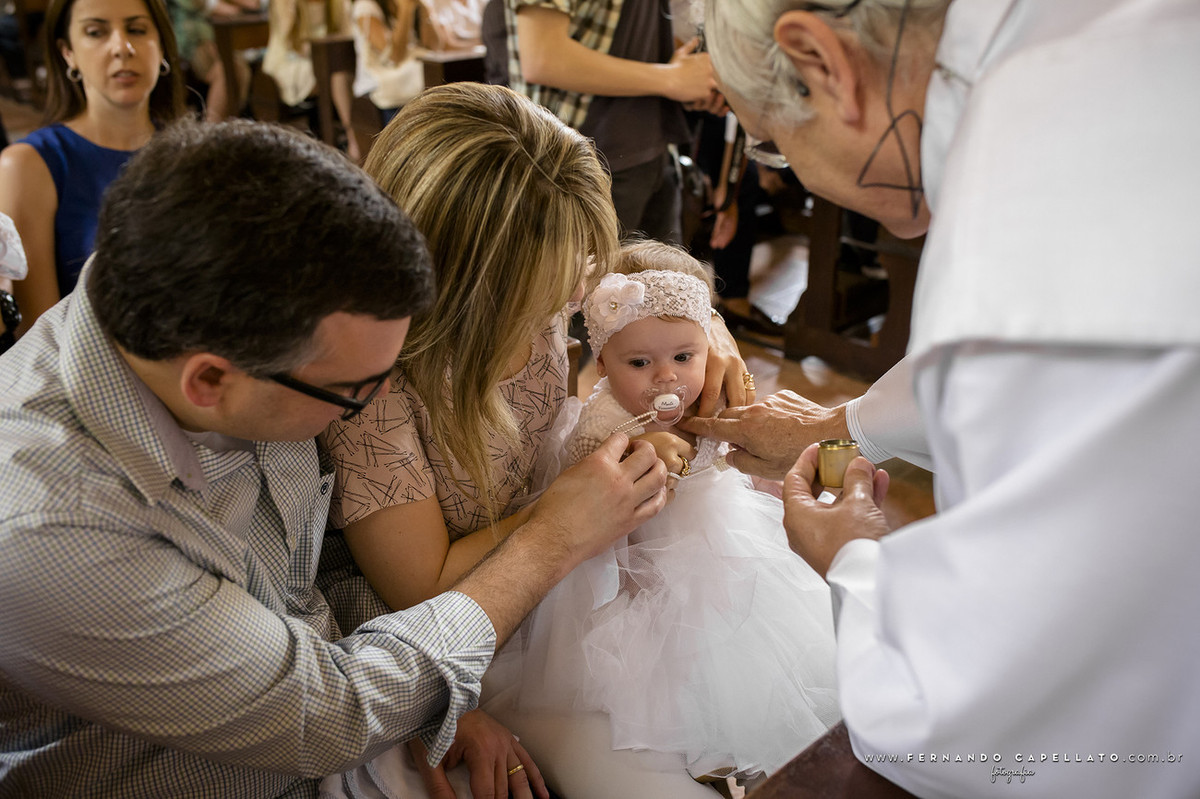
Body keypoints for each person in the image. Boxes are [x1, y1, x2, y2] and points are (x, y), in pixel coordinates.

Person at [0, 118, 670, 797]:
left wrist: (426, 695)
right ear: (209, 380)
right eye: (354, 392)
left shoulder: (203, 322)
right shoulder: (55, 526)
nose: (376, 404)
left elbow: (306, 575)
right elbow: (324, 712)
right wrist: (549, 539)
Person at [683, 1, 1200, 797]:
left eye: (780, 147)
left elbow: (977, 722)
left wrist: (851, 559)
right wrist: (839, 428)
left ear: (821, 64)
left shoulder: (1018, 223)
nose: (800, 176)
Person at [316, 81, 753, 797]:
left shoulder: (555, 270)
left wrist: (710, 332)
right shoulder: (379, 388)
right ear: (468, 282)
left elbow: (646, 284)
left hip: (576, 568)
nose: (576, 294)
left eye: (581, 267)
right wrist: (565, 513)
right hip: (481, 623)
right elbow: (421, 590)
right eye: (549, 284)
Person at [512, 242, 840, 788]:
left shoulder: (707, 400)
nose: (667, 379)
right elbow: (581, 472)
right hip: (630, 565)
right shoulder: (608, 416)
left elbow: (736, 457)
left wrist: (766, 471)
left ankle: (729, 741)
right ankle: (682, 747)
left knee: (728, 640)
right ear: (602, 362)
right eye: (639, 363)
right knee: (652, 658)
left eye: (684, 358)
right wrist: (640, 450)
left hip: (715, 543)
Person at [0, 0, 185, 337]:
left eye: (137, 29)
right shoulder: (29, 164)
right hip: (91, 377)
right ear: (68, 52)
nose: (122, 47)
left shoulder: (195, 152)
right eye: (96, 32)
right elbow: (39, 338)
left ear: (162, 47)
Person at [503, 0, 720, 245]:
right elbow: (542, 56)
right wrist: (671, 79)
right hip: (579, 166)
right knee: (584, 279)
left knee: (665, 278)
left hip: (655, 152)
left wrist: (687, 83)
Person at [167, 0, 258, 121]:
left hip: (224, 40)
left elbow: (254, 4)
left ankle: (225, 124)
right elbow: (213, 7)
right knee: (226, 71)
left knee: (238, 68)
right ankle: (212, 127)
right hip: (193, 44)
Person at [348, 0, 423, 125]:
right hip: (377, 86)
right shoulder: (365, 6)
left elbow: (434, 45)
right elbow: (393, 57)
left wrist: (426, 11)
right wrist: (406, 9)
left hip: (408, 81)